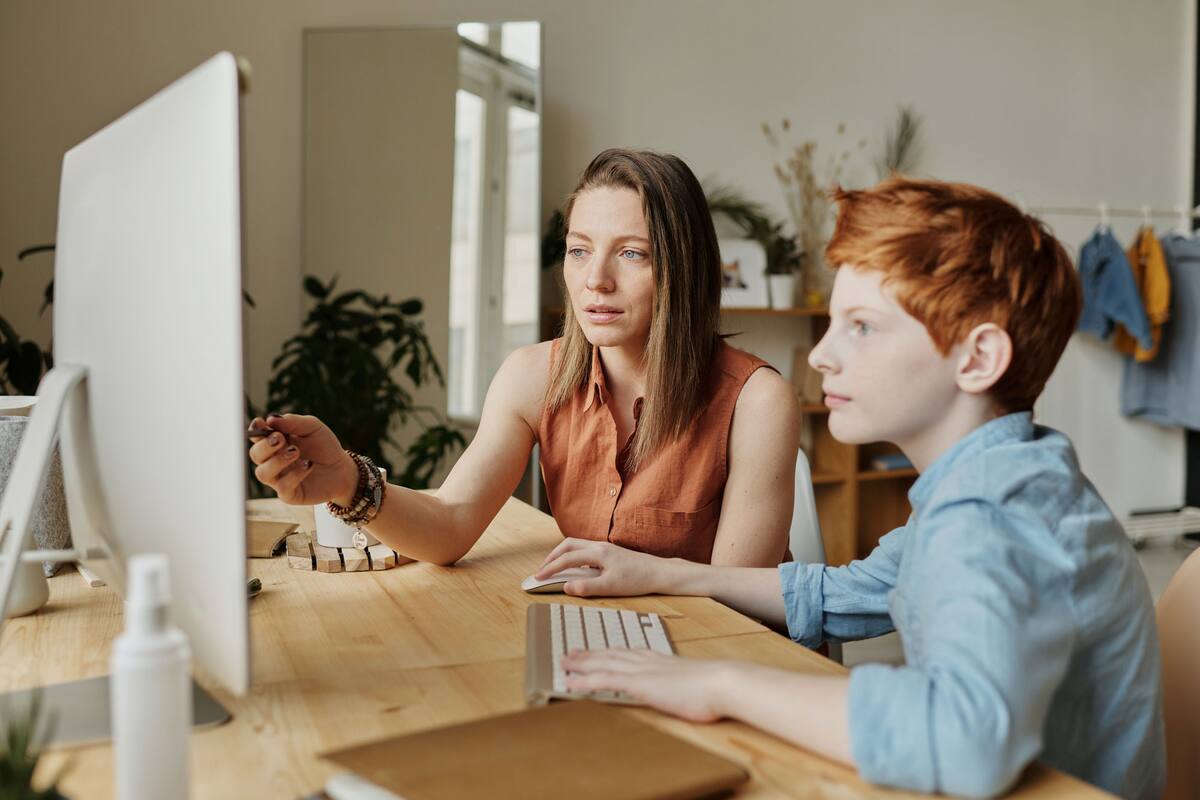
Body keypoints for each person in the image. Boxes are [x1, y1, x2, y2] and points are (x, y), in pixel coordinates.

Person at [538, 177, 1165, 799]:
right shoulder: (1006, 475)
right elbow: (850, 591)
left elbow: (962, 741)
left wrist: (718, 685)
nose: (821, 356)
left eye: (861, 327)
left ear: (977, 359)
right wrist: (663, 573)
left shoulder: (991, 512)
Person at [248, 148, 799, 567]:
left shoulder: (757, 401)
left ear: (685, 268)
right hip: (609, 637)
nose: (595, 279)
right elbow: (450, 525)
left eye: (632, 253)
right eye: (579, 250)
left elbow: (738, 602)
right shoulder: (533, 376)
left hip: (722, 656)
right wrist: (347, 481)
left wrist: (637, 578)